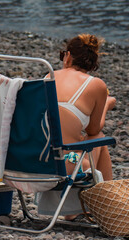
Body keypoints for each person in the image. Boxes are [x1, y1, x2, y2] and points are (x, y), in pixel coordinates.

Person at [52, 34, 116, 220]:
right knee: (98, 139)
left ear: (68, 56)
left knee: (78, 143)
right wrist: (105, 105)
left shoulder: (48, 77)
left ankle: (76, 209)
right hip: (66, 164)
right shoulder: (96, 85)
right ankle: (109, 209)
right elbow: (93, 130)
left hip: (36, 160)